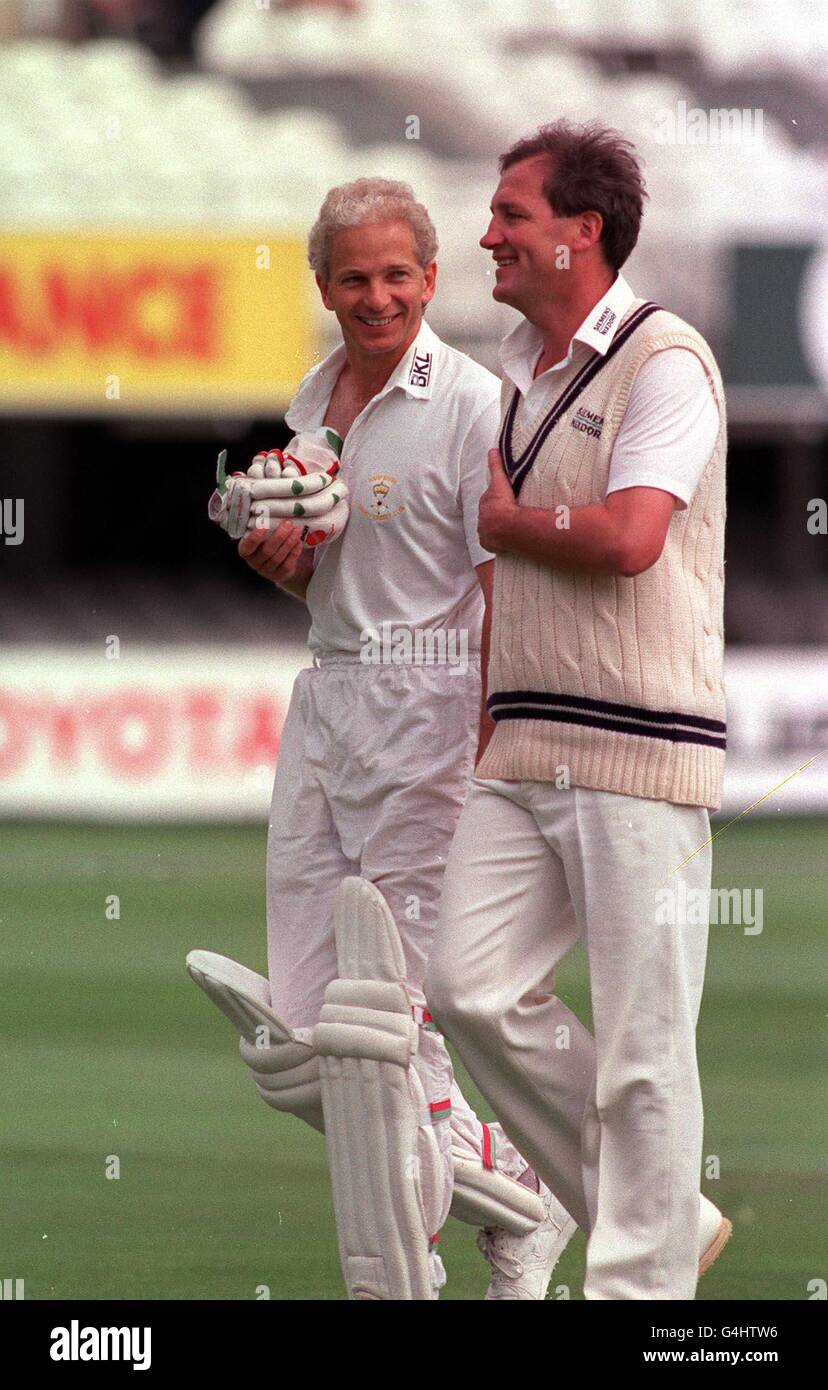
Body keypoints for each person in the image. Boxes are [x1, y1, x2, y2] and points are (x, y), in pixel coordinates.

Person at [187, 177, 577, 1300]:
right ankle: (521, 1184)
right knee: (314, 1030)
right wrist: (277, 563)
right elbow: (319, 581)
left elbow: (503, 576)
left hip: (433, 709)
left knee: (386, 1023)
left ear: (430, 278)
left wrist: (498, 725)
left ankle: (400, 1276)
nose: (376, 297)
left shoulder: (468, 400)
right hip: (331, 702)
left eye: (396, 274)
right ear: (324, 285)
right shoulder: (311, 409)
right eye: (353, 277)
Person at [426, 120, 731, 1300]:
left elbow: (631, 538)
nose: (489, 233)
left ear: (583, 233)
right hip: (526, 743)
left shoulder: (667, 359)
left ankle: (642, 1297)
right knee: (471, 985)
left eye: (512, 214)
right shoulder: (510, 365)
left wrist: (511, 527)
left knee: (648, 1049)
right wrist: (487, 712)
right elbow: (497, 570)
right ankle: (659, 1214)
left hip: (638, 746)